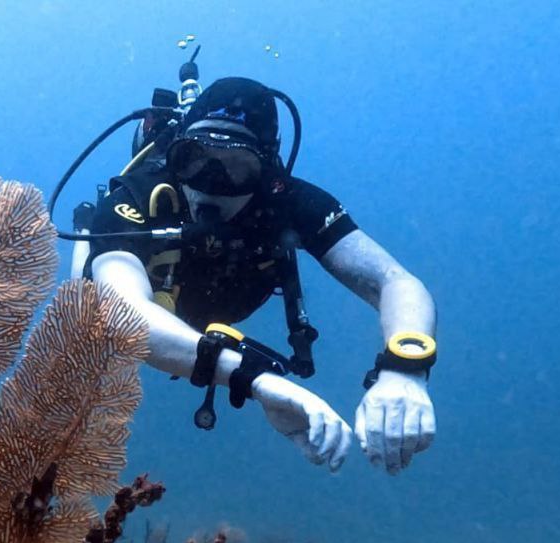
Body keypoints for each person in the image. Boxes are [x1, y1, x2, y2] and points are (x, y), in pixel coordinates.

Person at [73, 77, 437, 475]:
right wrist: (254, 379)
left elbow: (393, 280)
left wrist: (405, 367)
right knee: (84, 302)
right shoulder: (136, 197)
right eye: (194, 160)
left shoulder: (287, 200)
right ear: (176, 156)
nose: (212, 185)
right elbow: (125, 314)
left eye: (238, 168)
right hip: (151, 306)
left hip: (212, 315)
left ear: (266, 172)